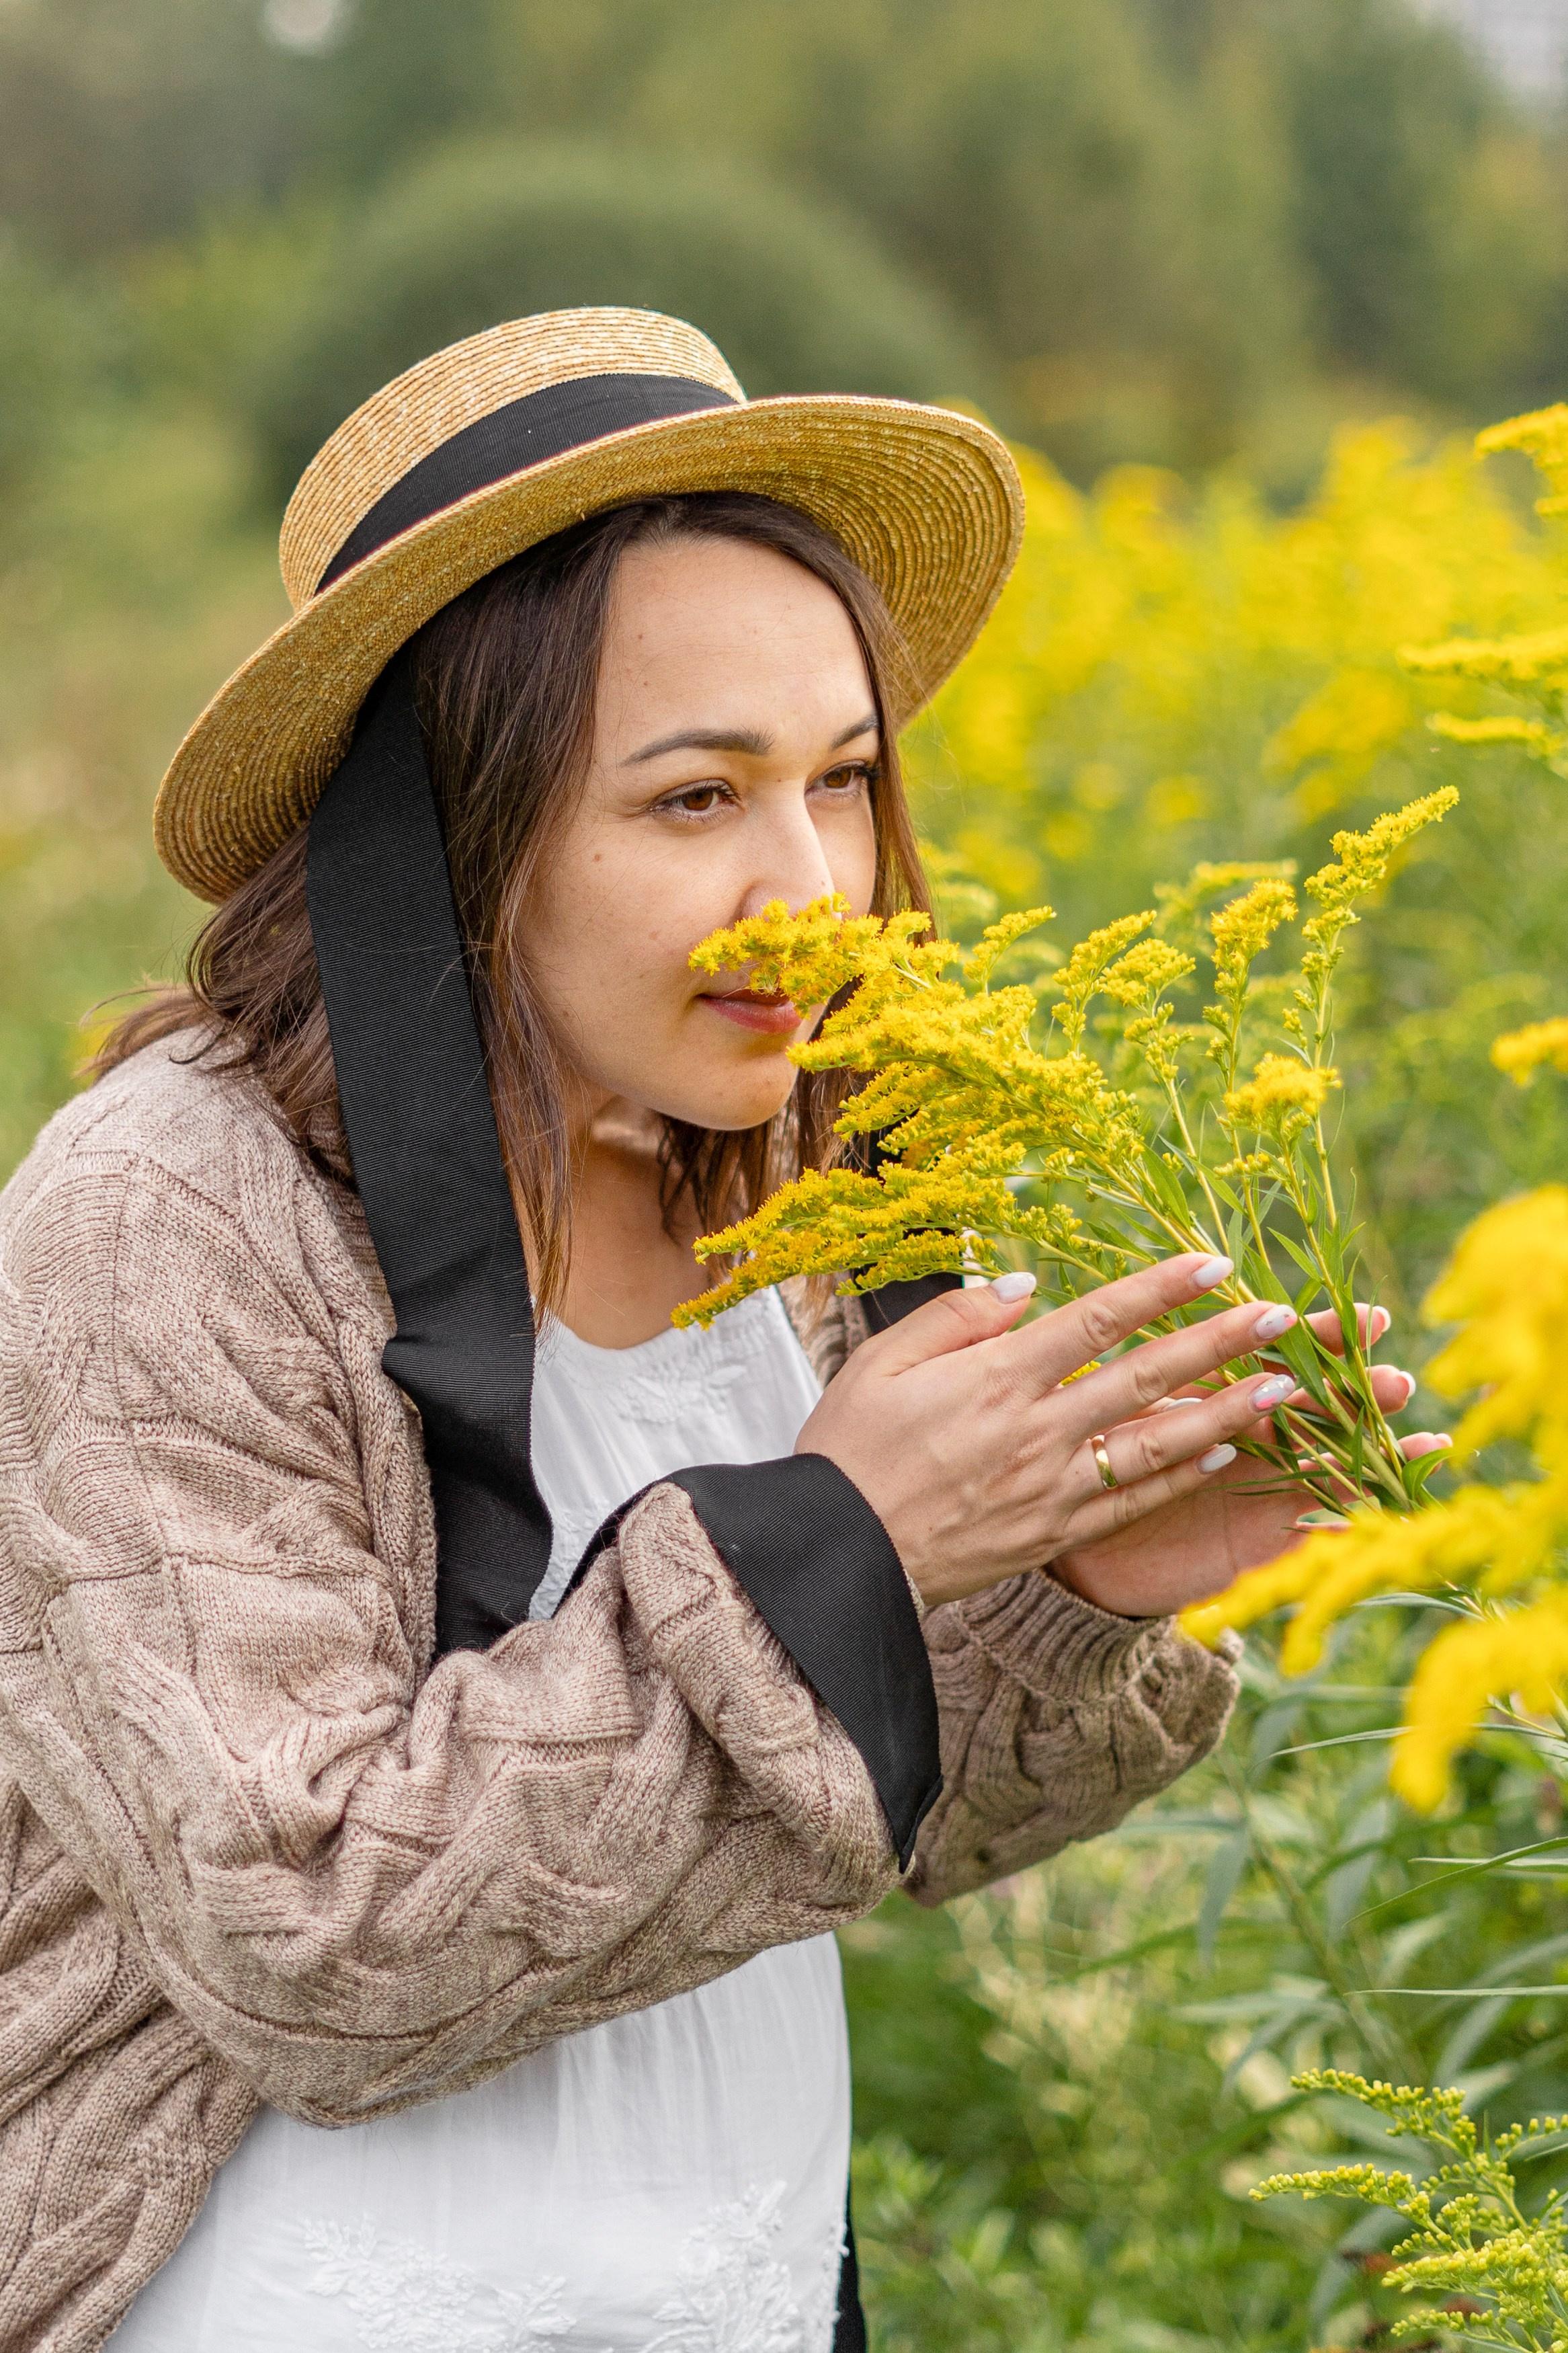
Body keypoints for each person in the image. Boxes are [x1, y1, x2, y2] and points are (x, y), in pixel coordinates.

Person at [0, 309, 1442, 2353]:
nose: (812, 891)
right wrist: (836, 1536)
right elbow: (309, 1943)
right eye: (693, 802)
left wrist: (1063, 1595)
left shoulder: (796, 1168)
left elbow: (870, 1818)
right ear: (459, 829)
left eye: (843, 781)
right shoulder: (161, 1220)